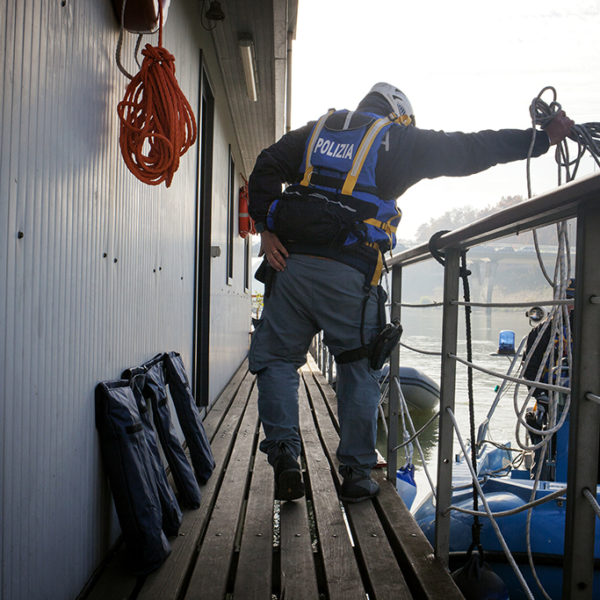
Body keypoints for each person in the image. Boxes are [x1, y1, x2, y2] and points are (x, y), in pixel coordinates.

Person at [248, 82, 574, 503]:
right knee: (359, 367)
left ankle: (287, 458)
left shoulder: (316, 132)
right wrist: (541, 139)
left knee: (276, 360)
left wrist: (266, 226)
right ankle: (356, 474)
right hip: (350, 274)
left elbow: (265, 166)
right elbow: (471, 150)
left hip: (288, 266)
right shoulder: (395, 139)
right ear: (399, 113)